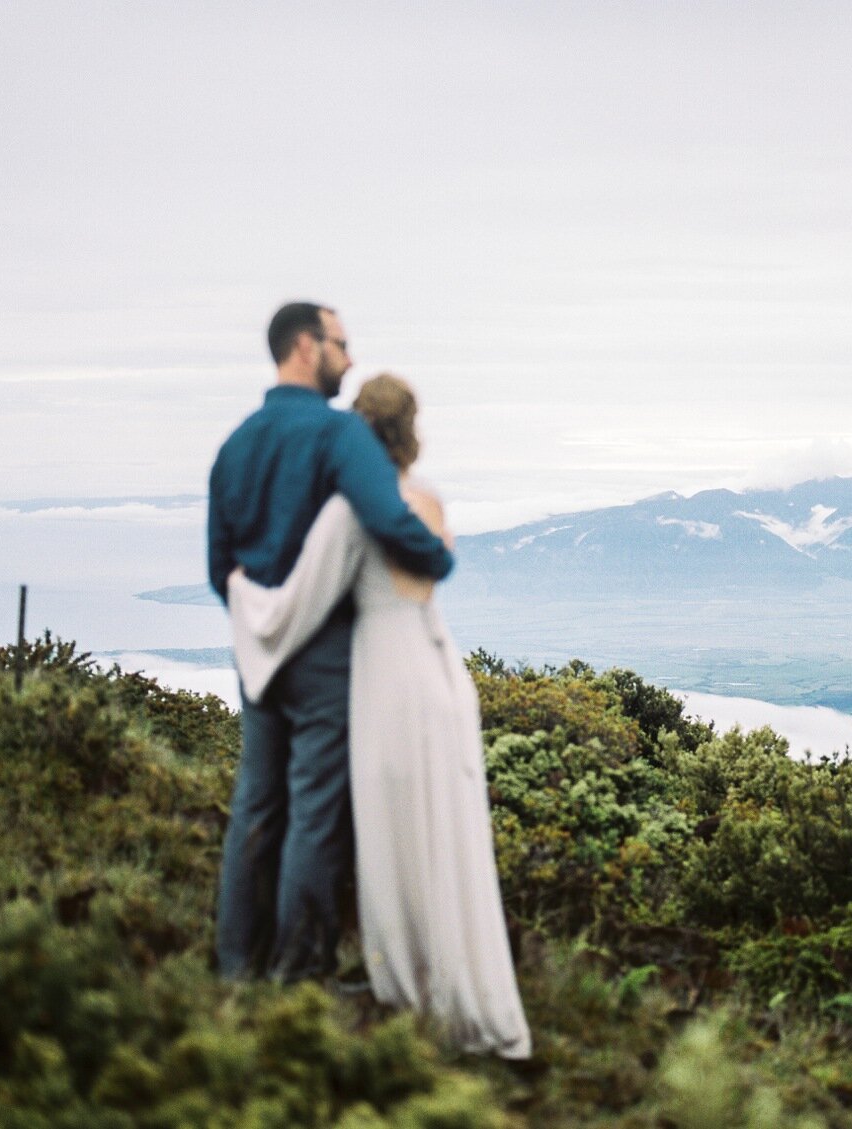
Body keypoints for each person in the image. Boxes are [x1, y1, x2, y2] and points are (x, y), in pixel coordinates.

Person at [227, 373, 532, 1058]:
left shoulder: (348, 509)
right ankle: (466, 989)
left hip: (387, 681)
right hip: (443, 675)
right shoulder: (428, 500)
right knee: (447, 834)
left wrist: (245, 595)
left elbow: (298, 603)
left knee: (395, 837)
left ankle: (408, 988)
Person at [207, 304, 454, 983]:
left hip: (257, 655)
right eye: (341, 344)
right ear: (306, 347)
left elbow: (217, 566)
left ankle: (235, 965)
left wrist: (263, 626)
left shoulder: (236, 445)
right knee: (315, 809)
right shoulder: (339, 434)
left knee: (255, 803)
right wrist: (437, 558)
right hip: (324, 653)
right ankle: (297, 970)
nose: (349, 358)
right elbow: (385, 517)